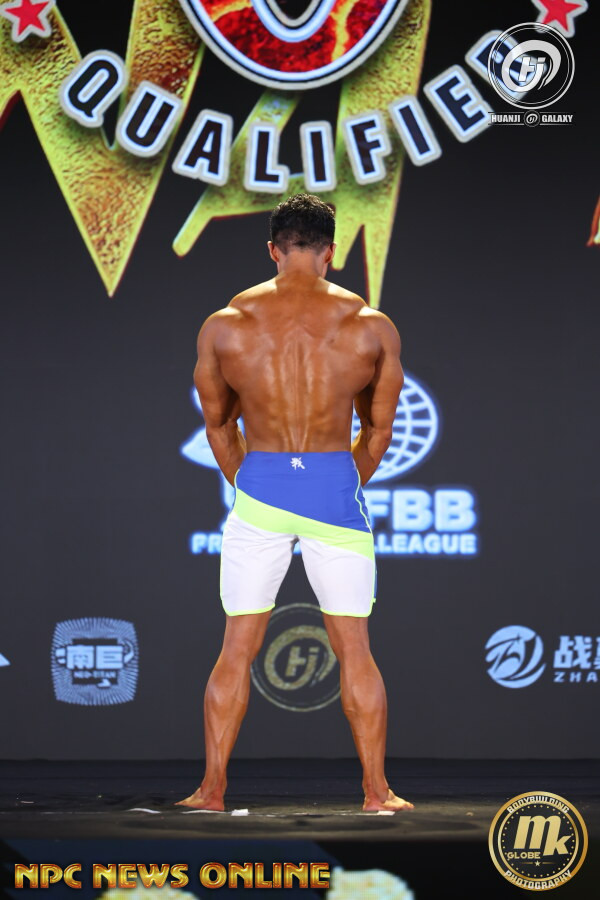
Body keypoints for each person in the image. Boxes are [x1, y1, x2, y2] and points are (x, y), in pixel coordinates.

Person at [176, 193, 412, 813]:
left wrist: (256, 483)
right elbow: (379, 432)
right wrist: (336, 482)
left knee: (236, 646)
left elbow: (219, 427)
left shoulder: (226, 323)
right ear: (331, 252)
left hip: (262, 488)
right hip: (334, 488)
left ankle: (211, 792)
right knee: (354, 649)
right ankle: (377, 793)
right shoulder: (371, 326)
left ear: (273, 250)